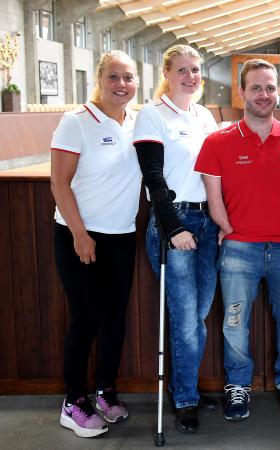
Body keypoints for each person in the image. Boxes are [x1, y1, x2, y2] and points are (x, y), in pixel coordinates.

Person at [195, 59, 280, 423]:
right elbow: (213, 199)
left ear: (278, 92)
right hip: (239, 250)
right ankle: (238, 385)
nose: (263, 94)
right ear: (242, 92)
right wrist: (231, 232)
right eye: (256, 87)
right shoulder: (217, 142)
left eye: (269, 87)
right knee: (234, 323)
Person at [51, 50, 140, 438]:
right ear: (100, 80)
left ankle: (105, 391)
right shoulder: (76, 122)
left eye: (129, 77)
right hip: (81, 235)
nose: (122, 85)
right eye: (114, 77)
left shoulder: (139, 121)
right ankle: (74, 402)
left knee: (114, 319)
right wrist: (80, 234)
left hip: (123, 235)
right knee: (86, 317)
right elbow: (59, 183)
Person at [134, 44, 220, 434]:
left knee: (198, 316)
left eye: (196, 70)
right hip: (176, 223)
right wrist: (174, 228)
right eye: (182, 70)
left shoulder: (204, 116)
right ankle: (185, 398)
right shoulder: (152, 115)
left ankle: (185, 389)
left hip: (207, 222)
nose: (190, 76)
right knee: (185, 319)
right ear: (166, 73)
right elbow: (154, 178)